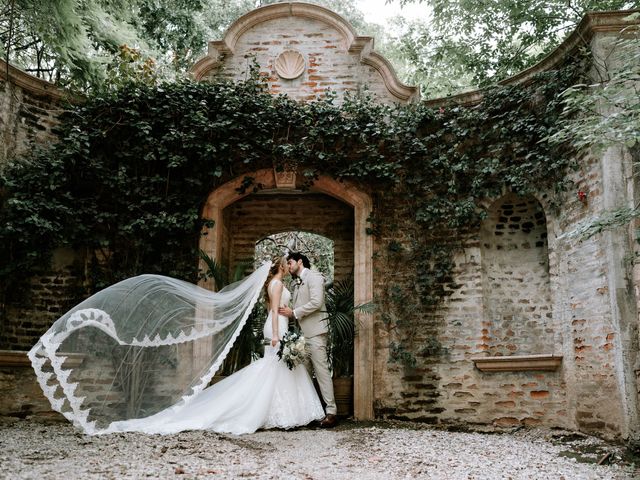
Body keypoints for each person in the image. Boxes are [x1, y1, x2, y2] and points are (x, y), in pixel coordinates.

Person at [30, 257, 324, 435]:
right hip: (277, 328)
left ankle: (287, 413)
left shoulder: (281, 283)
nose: (289, 264)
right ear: (279, 268)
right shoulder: (275, 285)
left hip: (284, 326)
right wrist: (275, 335)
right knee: (272, 368)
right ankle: (271, 412)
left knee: (275, 369)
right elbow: (274, 312)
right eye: (286, 262)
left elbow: (283, 310)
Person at [279, 252, 338, 428]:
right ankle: (312, 412)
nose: (288, 266)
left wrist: (294, 313)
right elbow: (298, 307)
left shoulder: (314, 277)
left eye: (290, 263)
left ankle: (331, 412)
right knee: (304, 373)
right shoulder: (296, 283)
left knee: (321, 371)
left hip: (316, 331)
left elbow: (317, 302)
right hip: (303, 335)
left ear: (299, 262)